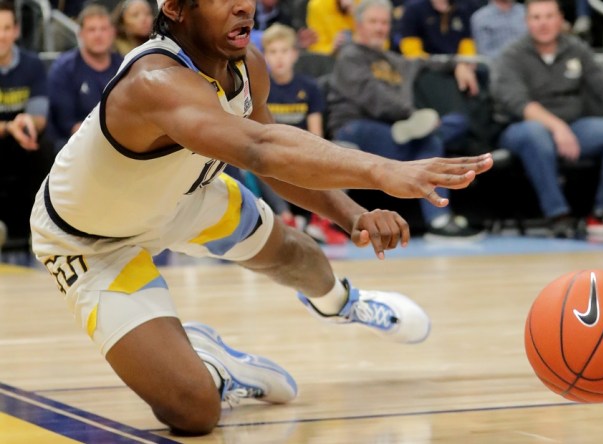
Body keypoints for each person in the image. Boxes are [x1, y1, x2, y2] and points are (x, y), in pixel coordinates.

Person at [29, 0, 493, 436]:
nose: (243, 5)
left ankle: (341, 303)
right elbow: (262, 151)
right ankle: (218, 367)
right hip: (90, 240)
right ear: (175, 9)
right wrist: (383, 169)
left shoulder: (247, 64)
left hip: (185, 197)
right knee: (194, 413)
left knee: (295, 253)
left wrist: (353, 214)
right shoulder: (153, 81)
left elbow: (273, 145)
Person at [328, 0, 483, 241]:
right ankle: (439, 217)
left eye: (384, 23)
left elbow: (428, 61)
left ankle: (438, 218)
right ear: (359, 25)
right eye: (374, 22)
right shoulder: (350, 56)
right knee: (424, 140)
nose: (380, 28)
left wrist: (458, 63)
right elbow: (374, 99)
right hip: (355, 126)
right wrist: (410, 114)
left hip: (396, 127)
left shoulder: (395, 60)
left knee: (442, 133)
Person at [491, 0, 603, 239]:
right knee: (535, 135)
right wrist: (557, 127)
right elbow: (518, 103)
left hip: (574, 125)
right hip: (521, 128)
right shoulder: (511, 55)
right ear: (527, 22)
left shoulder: (576, 48)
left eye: (549, 16)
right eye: (536, 18)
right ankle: (558, 216)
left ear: (560, 20)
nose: (543, 23)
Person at [255, 23, 348, 245]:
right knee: (254, 163)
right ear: (264, 56)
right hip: (272, 151)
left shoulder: (310, 86)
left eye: (284, 51)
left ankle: (321, 222)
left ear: (295, 54)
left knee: (347, 153)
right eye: (273, 52)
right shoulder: (260, 87)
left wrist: (318, 155)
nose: (279, 58)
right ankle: (285, 219)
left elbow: (316, 132)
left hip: (304, 150)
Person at [0, 1, 50, 253]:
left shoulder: (31, 64)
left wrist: (27, 122)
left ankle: (41, 228)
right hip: (5, 135)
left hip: (22, 137)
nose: (2, 35)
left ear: (16, 31)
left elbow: (40, 114)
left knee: (46, 145)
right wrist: (9, 127)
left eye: (7, 28)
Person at [48, 4, 123, 152]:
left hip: (117, 141)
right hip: (73, 146)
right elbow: (68, 125)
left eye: (103, 29)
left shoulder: (124, 66)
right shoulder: (64, 68)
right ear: (80, 34)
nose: (98, 35)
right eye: (92, 29)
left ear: (113, 32)